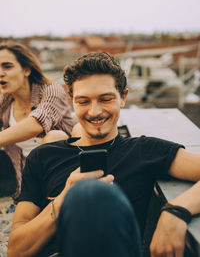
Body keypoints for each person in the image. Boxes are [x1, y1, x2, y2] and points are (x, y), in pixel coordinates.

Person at [7, 52, 200, 257]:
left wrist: (176, 210)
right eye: (83, 101)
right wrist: (63, 199)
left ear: (123, 98)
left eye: (105, 99)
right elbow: (16, 250)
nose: (95, 111)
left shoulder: (143, 150)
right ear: (72, 101)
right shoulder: (43, 157)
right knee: (86, 193)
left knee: (91, 194)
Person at [0, 42, 74, 199]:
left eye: (7, 66)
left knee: (55, 136)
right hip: (28, 184)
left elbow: (37, 124)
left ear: (26, 69)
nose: (1, 73)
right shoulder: (4, 103)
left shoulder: (52, 90)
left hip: (65, 176)